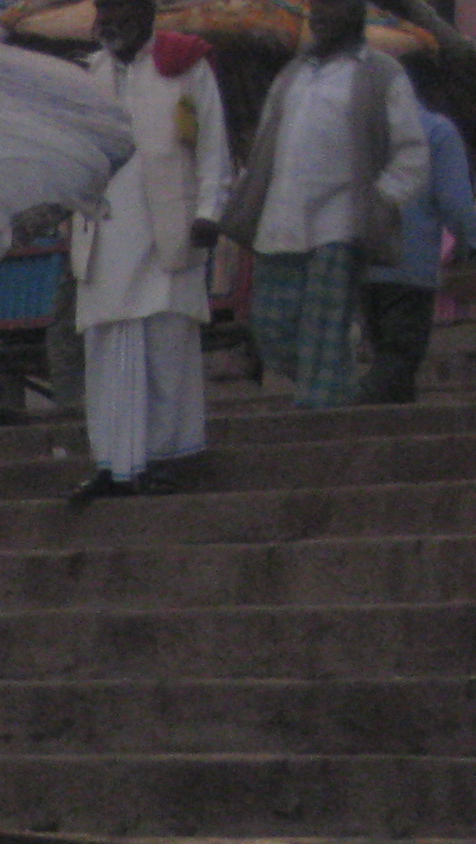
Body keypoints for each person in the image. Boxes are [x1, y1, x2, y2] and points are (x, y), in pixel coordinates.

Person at [221, 0, 429, 411]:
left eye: (329, 7)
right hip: (279, 223)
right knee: (270, 328)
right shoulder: (292, 75)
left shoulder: (381, 73)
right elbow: (266, 145)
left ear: (354, 13)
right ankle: (337, 381)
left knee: (323, 328)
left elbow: (412, 153)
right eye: (315, 8)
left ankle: (321, 411)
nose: (317, 15)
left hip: (339, 225)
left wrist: (381, 199)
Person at [68, 0, 233, 503]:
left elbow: (213, 148)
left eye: (120, 11)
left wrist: (210, 210)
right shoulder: (86, 74)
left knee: (165, 343)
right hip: (103, 234)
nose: (109, 23)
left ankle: (164, 458)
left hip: (170, 230)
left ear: (145, 12)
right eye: (104, 12)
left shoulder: (186, 65)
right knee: (105, 348)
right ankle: (112, 462)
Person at [361, 97, 476, 403]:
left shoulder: (361, 131)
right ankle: (359, 405)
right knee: (401, 354)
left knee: (385, 353)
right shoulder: (437, 132)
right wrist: (470, 242)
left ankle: (390, 417)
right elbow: (456, 205)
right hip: (411, 265)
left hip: (363, 262)